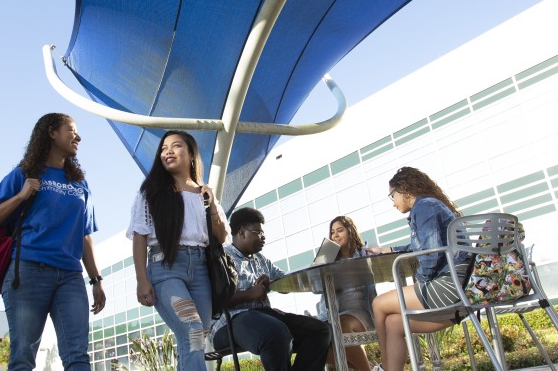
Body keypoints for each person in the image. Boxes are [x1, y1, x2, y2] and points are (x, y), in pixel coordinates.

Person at [0, 113, 106, 371]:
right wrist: (21, 196)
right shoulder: (22, 175)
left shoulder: (80, 184)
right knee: (23, 357)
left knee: (78, 355)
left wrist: (96, 280)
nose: (78, 136)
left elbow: (84, 234)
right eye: (71, 130)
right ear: (51, 132)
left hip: (70, 277)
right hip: (27, 272)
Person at [128, 130, 228, 370]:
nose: (168, 151)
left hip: (202, 270)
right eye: (164, 148)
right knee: (193, 332)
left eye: (176, 146)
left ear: (192, 154)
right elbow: (139, 237)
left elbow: (222, 236)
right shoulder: (150, 192)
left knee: (196, 340)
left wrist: (212, 204)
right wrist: (142, 279)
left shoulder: (204, 193)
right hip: (165, 269)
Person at [368, 167, 474, 371]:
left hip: (449, 289)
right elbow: (421, 246)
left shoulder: (423, 207)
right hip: (461, 292)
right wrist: (386, 250)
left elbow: (431, 253)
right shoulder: (431, 205)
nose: (393, 202)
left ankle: (384, 366)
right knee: (393, 324)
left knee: (378, 304)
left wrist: (420, 279)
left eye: (392, 195)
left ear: (405, 189)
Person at [212, 207, 332, 371]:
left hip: (265, 317)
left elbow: (286, 283)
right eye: (258, 233)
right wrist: (250, 294)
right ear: (241, 233)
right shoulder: (222, 258)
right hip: (229, 323)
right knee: (276, 333)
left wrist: (272, 281)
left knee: (320, 331)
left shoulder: (261, 260)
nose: (263, 237)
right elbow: (215, 299)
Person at [316, 216, 377, 371]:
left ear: (350, 231)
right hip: (334, 315)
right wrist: (323, 259)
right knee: (314, 339)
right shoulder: (328, 257)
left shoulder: (363, 252)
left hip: (361, 311)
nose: (335, 235)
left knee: (339, 325)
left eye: (340, 230)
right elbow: (316, 287)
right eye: (332, 232)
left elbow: (378, 271)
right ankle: (367, 368)